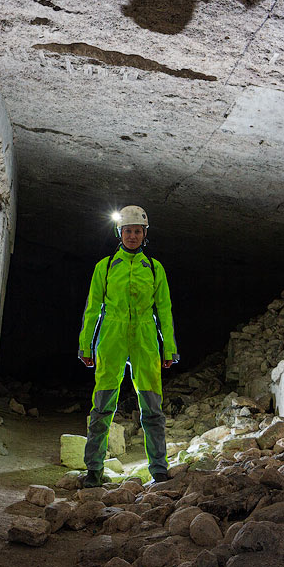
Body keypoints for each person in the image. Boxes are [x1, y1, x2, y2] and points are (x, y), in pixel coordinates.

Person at [77, 205, 179, 488]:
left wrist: (168, 348)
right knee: (101, 407)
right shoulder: (106, 266)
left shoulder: (155, 269)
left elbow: (165, 311)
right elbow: (92, 308)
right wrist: (86, 344)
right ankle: (94, 470)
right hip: (111, 338)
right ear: (119, 233)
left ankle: (159, 468)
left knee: (152, 409)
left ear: (144, 234)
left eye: (137, 231)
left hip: (145, 340)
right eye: (127, 231)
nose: (132, 235)